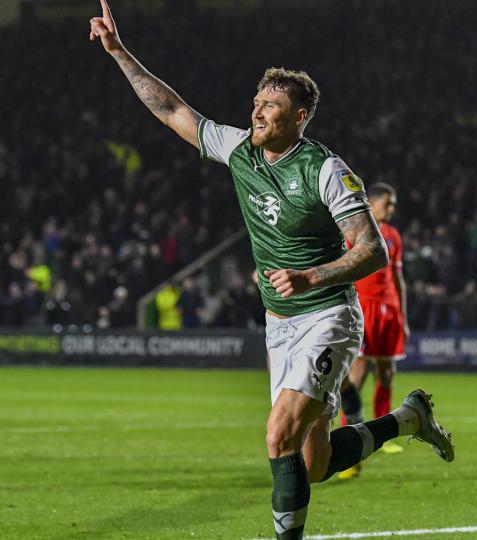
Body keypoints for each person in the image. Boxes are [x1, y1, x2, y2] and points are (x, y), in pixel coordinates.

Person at [89, 3, 454, 538]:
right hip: (279, 324)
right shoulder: (240, 150)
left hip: (328, 315)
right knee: (314, 465)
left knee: (278, 435)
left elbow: (371, 250)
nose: (257, 113)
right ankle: (410, 418)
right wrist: (120, 53)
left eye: (271, 106)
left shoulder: (325, 169)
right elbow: (171, 110)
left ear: (300, 116)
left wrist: (313, 276)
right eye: (257, 102)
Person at [337, 183, 410, 479]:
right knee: (357, 374)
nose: (391, 210)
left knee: (387, 372)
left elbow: (398, 276)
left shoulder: (393, 236)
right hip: (363, 306)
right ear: (375, 202)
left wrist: (403, 314)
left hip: (388, 309)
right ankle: (347, 434)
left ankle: (382, 434)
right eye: (388, 204)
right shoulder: (355, 228)